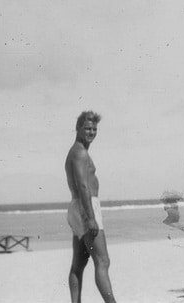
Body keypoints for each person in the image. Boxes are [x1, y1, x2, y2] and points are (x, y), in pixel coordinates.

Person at [65, 111, 116, 303]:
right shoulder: (80, 153)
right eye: (87, 128)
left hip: (78, 207)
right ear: (78, 128)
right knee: (103, 261)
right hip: (86, 207)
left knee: (79, 263)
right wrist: (91, 217)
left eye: (94, 129)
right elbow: (83, 186)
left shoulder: (76, 151)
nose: (91, 132)